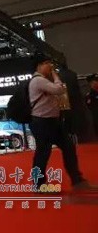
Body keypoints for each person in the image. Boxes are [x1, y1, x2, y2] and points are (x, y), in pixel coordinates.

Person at [29, 56, 97, 192]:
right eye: (47, 63)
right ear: (39, 66)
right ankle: (38, 184)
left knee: (68, 148)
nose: (50, 66)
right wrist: (56, 76)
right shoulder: (38, 80)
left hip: (52, 121)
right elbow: (59, 90)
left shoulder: (43, 80)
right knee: (43, 153)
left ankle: (77, 181)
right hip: (42, 122)